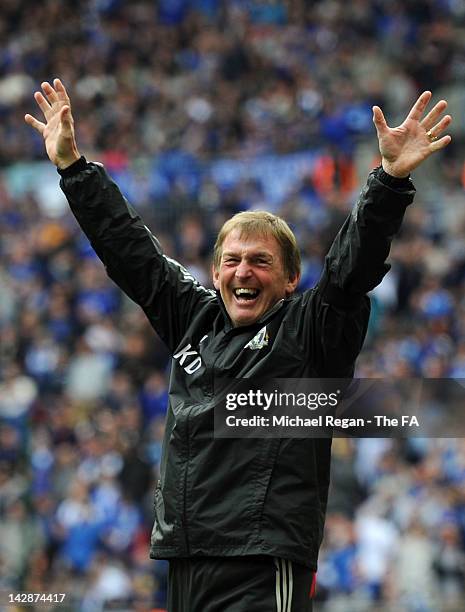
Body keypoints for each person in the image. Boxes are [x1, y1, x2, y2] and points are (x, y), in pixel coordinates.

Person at [25, 80, 451, 611]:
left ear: (292, 278)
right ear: (214, 270)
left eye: (260, 261)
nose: (242, 272)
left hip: (261, 560)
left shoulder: (311, 330)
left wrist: (388, 182)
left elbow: (349, 273)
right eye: (232, 260)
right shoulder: (194, 318)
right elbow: (131, 250)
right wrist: (72, 167)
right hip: (185, 556)